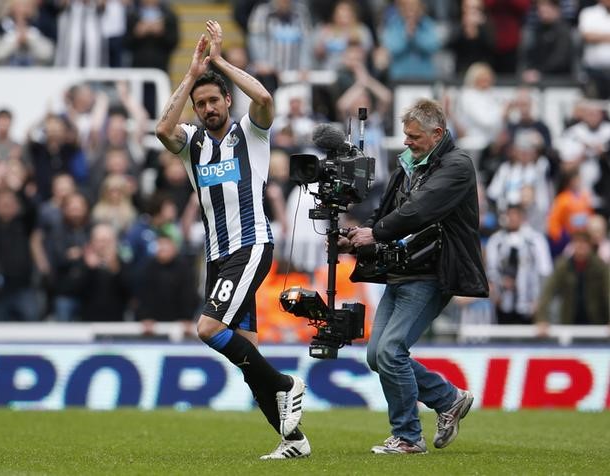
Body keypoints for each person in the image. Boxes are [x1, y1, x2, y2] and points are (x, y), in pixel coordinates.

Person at [155, 20, 309, 460]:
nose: (206, 108)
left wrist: (219, 61)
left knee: (208, 328)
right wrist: (189, 75)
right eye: (199, 103)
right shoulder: (192, 144)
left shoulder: (251, 132)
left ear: (226, 100)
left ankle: (286, 385)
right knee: (248, 357)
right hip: (218, 257)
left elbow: (263, 98)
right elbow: (163, 131)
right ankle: (293, 440)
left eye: (212, 99)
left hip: (252, 245)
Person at [339, 98, 489, 454]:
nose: (406, 142)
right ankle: (448, 398)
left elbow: (421, 211)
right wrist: (360, 237)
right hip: (402, 271)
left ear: (437, 134)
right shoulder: (412, 164)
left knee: (391, 352)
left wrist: (376, 234)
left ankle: (408, 437)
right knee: (378, 356)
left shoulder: (457, 166)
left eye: (413, 136)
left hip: (433, 272)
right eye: (405, 135)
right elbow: (387, 211)